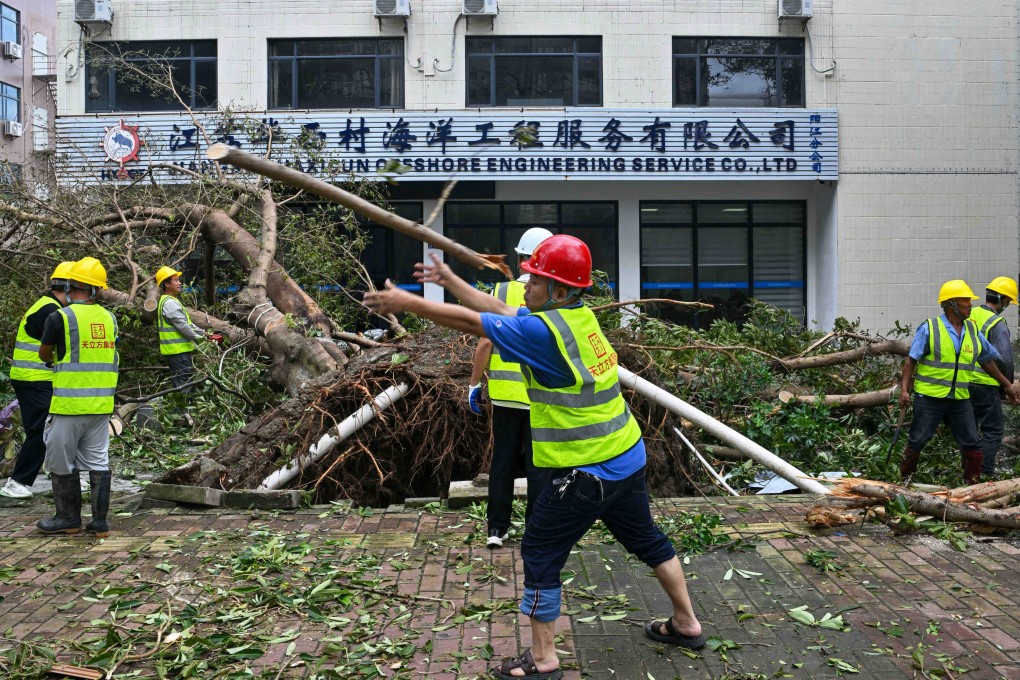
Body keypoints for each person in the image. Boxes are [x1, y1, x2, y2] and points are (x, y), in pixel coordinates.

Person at [365, 235, 705, 680]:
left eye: (537, 280)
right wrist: (449, 279)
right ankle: (686, 623)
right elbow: (497, 308)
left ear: (559, 291)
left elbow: (475, 324)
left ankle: (543, 660)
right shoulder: (574, 319)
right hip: (626, 455)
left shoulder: (543, 335)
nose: (526, 285)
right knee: (647, 540)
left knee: (541, 554)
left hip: (586, 473)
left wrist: (407, 304)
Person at [468, 227, 553, 548]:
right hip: (542, 400)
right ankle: (536, 529)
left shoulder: (499, 292)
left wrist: (474, 385)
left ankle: (496, 530)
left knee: (501, 464)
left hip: (505, 398)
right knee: (539, 467)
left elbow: (485, 342)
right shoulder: (554, 295)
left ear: (519, 261)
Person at [897, 280, 1019, 485]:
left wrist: (1006, 384)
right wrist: (904, 390)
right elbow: (912, 360)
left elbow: (987, 360)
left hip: (960, 398)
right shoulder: (930, 328)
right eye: (966, 300)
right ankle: (901, 481)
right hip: (930, 397)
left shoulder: (972, 330)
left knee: (971, 442)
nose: (970, 304)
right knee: (918, 439)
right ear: (952, 303)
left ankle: (973, 487)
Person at [36, 257, 119, 537]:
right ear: (96, 289)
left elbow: (44, 354)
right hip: (101, 405)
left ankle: (68, 519)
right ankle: (99, 524)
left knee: (60, 461)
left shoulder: (59, 316)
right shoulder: (110, 318)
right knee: (98, 461)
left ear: (74, 285)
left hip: (69, 405)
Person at [1, 262, 73, 500]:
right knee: (42, 429)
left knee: (54, 427)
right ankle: (18, 482)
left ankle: (64, 474)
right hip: (34, 378)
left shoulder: (47, 305)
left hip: (36, 378)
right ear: (70, 288)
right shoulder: (50, 311)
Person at [968, 277, 1017, 477]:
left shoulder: (970, 314)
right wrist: (1009, 386)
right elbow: (1004, 359)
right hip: (985, 385)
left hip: (963, 382)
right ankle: (984, 473)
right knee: (993, 432)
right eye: (1008, 301)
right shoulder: (997, 323)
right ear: (1003, 300)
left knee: (970, 433)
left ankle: (967, 472)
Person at [154, 266, 221, 389]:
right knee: (185, 387)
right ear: (167, 284)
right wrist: (201, 339)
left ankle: (183, 407)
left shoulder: (171, 301)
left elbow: (188, 324)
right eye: (176, 280)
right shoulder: (170, 303)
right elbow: (183, 327)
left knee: (184, 384)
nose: (180, 283)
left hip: (178, 352)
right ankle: (185, 408)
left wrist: (205, 334)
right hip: (178, 351)